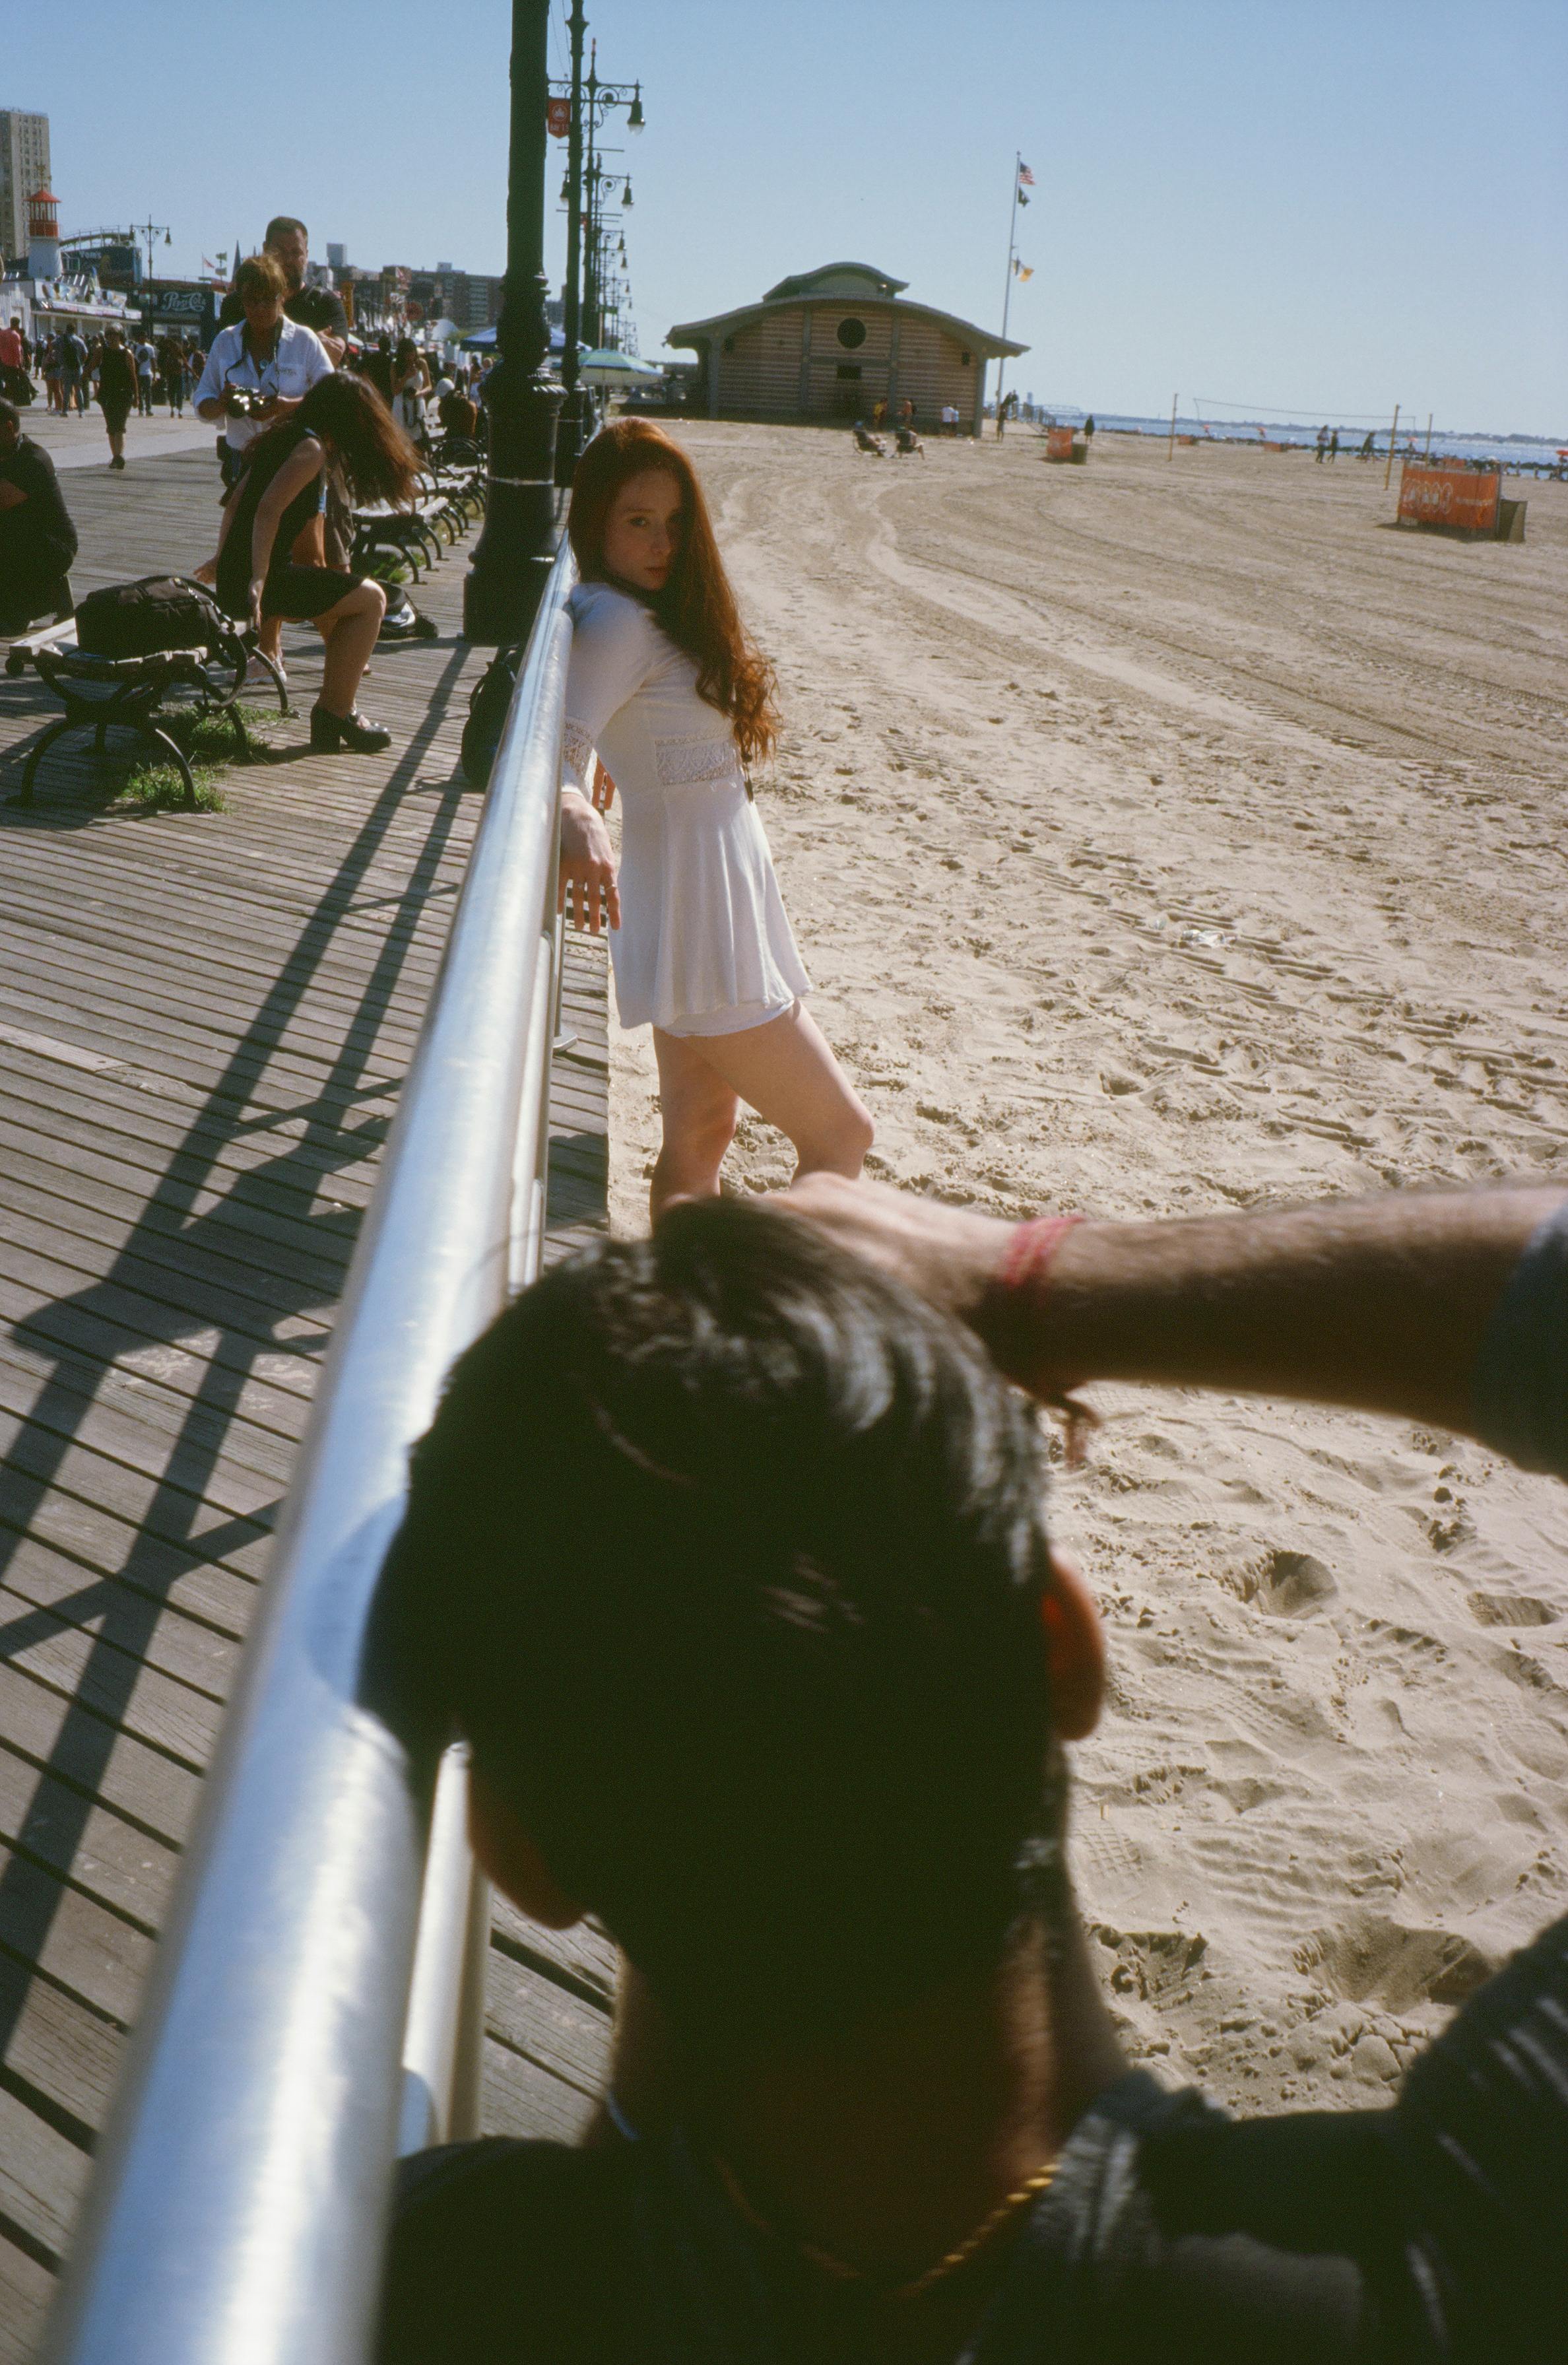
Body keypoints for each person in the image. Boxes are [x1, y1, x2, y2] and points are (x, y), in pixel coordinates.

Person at [377, 1179, 1568, 2363]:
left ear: (514, 1854)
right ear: (1064, 1647)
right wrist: (1031, 1282)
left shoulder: (372, 2283)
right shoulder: (1452, 2269)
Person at [555, 420, 872, 1221]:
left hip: (709, 891)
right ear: (596, 522)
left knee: (700, 1131)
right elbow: (546, 750)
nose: (663, 543)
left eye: (675, 522)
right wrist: (573, 806)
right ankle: (779, 1321)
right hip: (701, 912)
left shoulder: (635, 610)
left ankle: (677, 1318)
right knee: (842, 1136)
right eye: (638, 521)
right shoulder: (618, 622)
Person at [209, 370, 417, 751]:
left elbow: (236, 503)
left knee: (350, 600)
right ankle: (335, 714)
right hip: (263, 580)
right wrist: (258, 577)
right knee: (372, 600)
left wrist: (223, 560)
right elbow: (268, 511)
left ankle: (338, 712)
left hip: (241, 575)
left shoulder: (283, 437)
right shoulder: (311, 449)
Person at [195, 252, 335, 491]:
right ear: (242, 301)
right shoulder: (226, 341)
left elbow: (333, 397)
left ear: (282, 298)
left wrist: (288, 406)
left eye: (268, 300)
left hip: (294, 461)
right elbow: (202, 401)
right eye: (251, 300)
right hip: (241, 461)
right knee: (243, 529)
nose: (260, 308)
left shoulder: (304, 340)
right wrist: (222, 403)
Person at [216, 215, 348, 365]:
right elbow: (224, 358)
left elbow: (334, 353)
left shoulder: (325, 303)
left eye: (295, 252)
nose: (287, 259)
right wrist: (309, 346)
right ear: (265, 250)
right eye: (279, 251)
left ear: (306, 255)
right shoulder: (236, 303)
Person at [0, 396, 79, 632]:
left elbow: (3, 500)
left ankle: (47, 597)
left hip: (53, 547)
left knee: (9, 623)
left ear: (8, 427)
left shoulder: (33, 459)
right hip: (23, 543)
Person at [96, 323, 137, 471]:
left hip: (123, 393)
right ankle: (116, 457)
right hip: (107, 393)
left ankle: (118, 457)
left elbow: (133, 376)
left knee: (120, 426)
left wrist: (136, 396)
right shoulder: (102, 351)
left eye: (115, 335)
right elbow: (90, 366)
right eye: (109, 335)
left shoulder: (127, 354)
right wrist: (82, 377)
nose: (112, 338)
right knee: (111, 427)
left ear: (121, 337)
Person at [133, 333, 158, 417]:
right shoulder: (135, 347)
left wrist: (154, 375)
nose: (143, 338)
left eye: (145, 337)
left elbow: (153, 361)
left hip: (147, 373)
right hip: (138, 373)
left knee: (148, 392)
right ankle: (141, 410)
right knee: (139, 392)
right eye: (141, 337)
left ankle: (149, 409)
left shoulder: (150, 348)